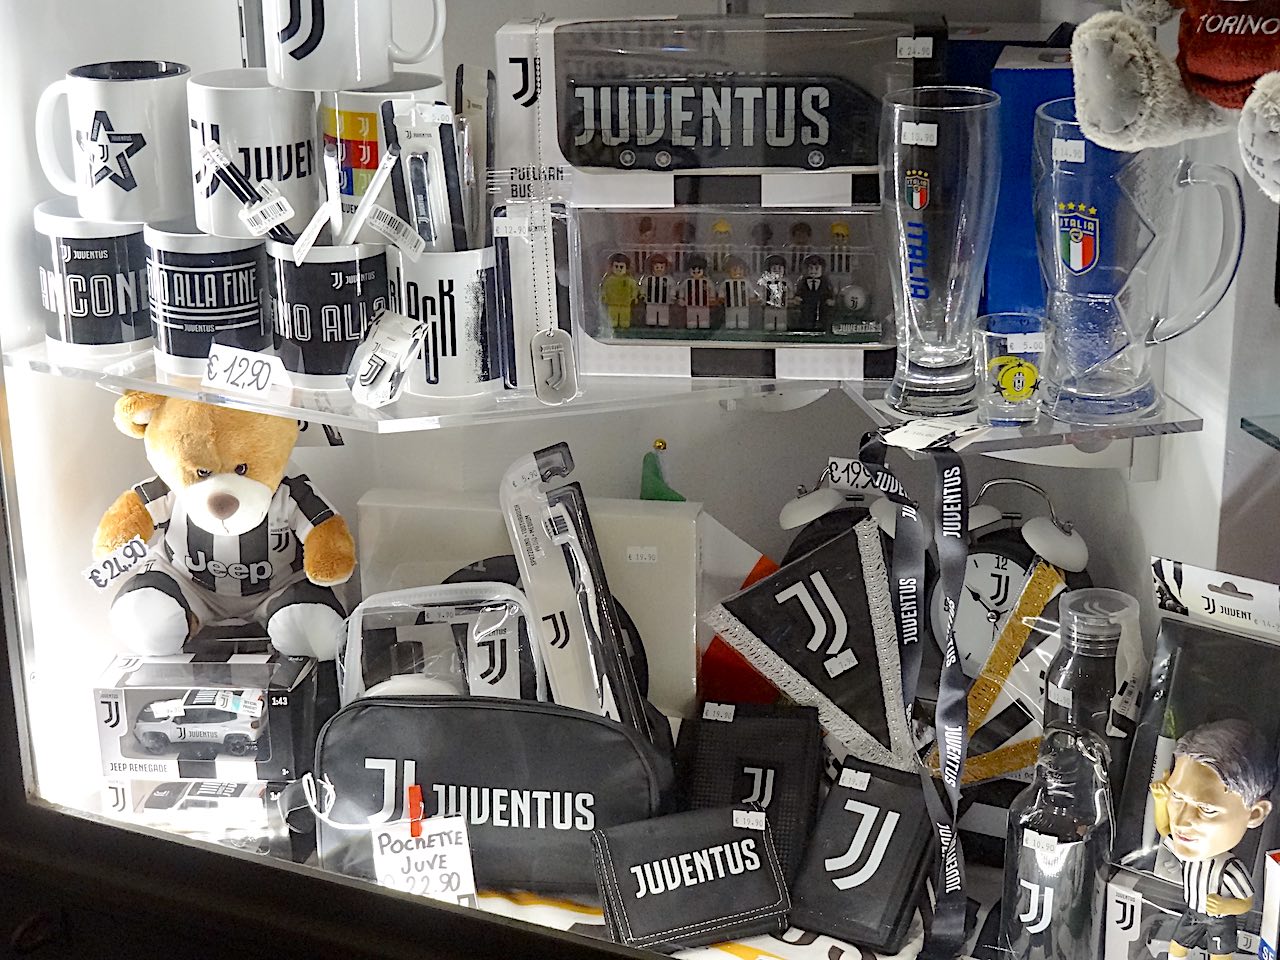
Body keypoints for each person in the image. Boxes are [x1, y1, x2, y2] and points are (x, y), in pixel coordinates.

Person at [1151, 719, 1276, 960]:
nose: (1182, 821)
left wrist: (1226, 906)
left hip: (1219, 920)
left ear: (1255, 814)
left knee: (1220, 955)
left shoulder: (1229, 869)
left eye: (1206, 809)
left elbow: (1246, 901)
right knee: (1176, 948)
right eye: (1177, 796)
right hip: (1192, 914)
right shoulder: (1188, 850)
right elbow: (1164, 829)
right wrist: (1160, 801)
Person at [599, 253, 641, 330]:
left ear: (626, 268)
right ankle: (613, 325)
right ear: (612, 267)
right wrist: (604, 296)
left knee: (625, 317)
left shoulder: (629, 280)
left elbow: (634, 289)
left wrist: (634, 297)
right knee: (612, 317)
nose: (619, 269)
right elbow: (604, 289)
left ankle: (624, 325)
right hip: (612, 303)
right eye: (616, 266)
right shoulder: (609, 280)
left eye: (621, 267)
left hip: (626, 303)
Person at [795, 254, 834, 332]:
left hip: (822, 308)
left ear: (822, 269)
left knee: (823, 321)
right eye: (811, 268)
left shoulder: (825, 282)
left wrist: (830, 299)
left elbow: (829, 292)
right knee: (806, 321)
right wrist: (798, 298)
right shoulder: (802, 282)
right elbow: (799, 292)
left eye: (816, 268)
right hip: (806, 308)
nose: (813, 271)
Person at [678, 255, 714, 330]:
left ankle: (704, 323)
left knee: (704, 315)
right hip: (690, 303)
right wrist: (681, 298)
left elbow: (712, 289)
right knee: (691, 315)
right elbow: (682, 289)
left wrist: (712, 298)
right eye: (694, 271)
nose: (696, 273)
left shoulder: (707, 281)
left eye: (699, 271)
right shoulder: (687, 282)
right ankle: (691, 323)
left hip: (704, 303)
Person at [719, 257, 753, 330]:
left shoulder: (746, 282)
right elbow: (722, 291)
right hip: (730, 305)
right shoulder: (726, 282)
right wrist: (721, 297)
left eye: (741, 269)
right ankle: (731, 322)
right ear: (729, 270)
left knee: (743, 315)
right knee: (730, 315)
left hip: (743, 304)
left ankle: (743, 322)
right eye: (734, 269)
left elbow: (751, 291)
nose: (738, 272)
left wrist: (751, 298)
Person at [760, 254, 791, 332]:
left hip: (782, 306)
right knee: (769, 321)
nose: (777, 270)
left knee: (781, 322)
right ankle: (769, 324)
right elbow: (762, 292)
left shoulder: (786, 282)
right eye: (774, 268)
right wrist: (762, 300)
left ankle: (781, 325)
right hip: (769, 306)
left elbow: (790, 292)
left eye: (780, 268)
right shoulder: (765, 282)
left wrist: (790, 299)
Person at [641, 254, 673, 328]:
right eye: (657, 267)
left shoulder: (668, 280)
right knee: (651, 314)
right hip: (650, 301)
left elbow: (672, 288)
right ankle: (651, 322)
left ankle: (663, 323)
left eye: (661, 267)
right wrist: (643, 294)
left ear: (665, 268)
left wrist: (672, 296)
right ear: (652, 267)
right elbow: (643, 287)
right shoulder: (648, 279)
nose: (659, 269)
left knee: (663, 314)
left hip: (664, 302)